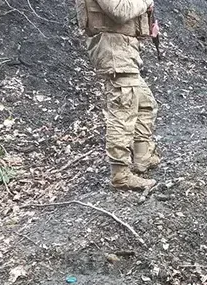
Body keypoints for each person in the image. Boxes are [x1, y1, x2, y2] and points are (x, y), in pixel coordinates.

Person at [75, 0, 161, 190]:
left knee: (145, 103)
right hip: (113, 49)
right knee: (123, 111)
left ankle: (142, 157)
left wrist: (147, 24)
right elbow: (120, 11)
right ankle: (120, 175)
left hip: (123, 49)